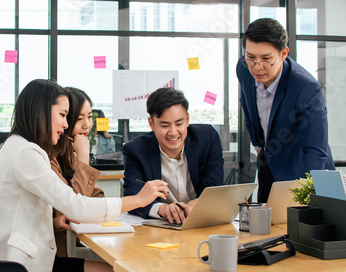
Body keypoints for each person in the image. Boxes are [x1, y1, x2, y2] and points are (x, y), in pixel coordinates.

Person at [0, 79, 167, 272]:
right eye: (63, 114)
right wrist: (139, 199)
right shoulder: (27, 154)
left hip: (24, 262)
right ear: (40, 111)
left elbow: (21, 211)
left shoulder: (16, 146)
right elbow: (76, 205)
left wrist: (53, 223)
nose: (65, 123)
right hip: (23, 271)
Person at [236, 18, 335, 203]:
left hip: (304, 169)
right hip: (269, 162)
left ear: (283, 53)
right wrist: (258, 146)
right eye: (251, 57)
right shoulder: (243, 68)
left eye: (266, 59)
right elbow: (246, 104)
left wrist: (300, 195)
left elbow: (315, 150)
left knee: (298, 227)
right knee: (264, 225)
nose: (257, 67)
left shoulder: (306, 88)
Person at [123, 87, 224, 223]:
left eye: (179, 123)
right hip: (162, 225)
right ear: (151, 124)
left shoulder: (207, 138)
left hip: (200, 221)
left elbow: (214, 186)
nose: (173, 132)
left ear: (187, 119)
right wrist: (161, 209)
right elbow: (132, 194)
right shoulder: (135, 150)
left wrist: (198, 203)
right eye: (165, 125)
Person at [52, 87, 104, 258]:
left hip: (74, 245)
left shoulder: (71, 153)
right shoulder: (49, 157)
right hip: (56, 252)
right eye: (79, 118)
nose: (87, 125)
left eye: (89, 117)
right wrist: (83, 157)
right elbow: (75, 207)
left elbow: (97, 197)